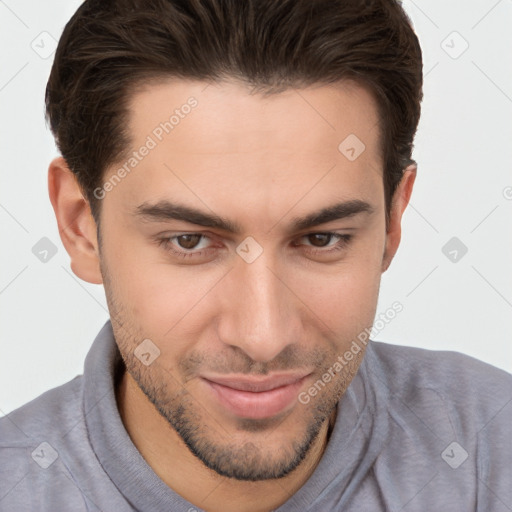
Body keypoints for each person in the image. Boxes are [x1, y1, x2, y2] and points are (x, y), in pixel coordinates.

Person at [1, 0, 511, 510]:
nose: (262, 338)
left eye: (321, 239)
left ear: (393, 222)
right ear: (80, 225)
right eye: (190, 241)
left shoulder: (493, 449)